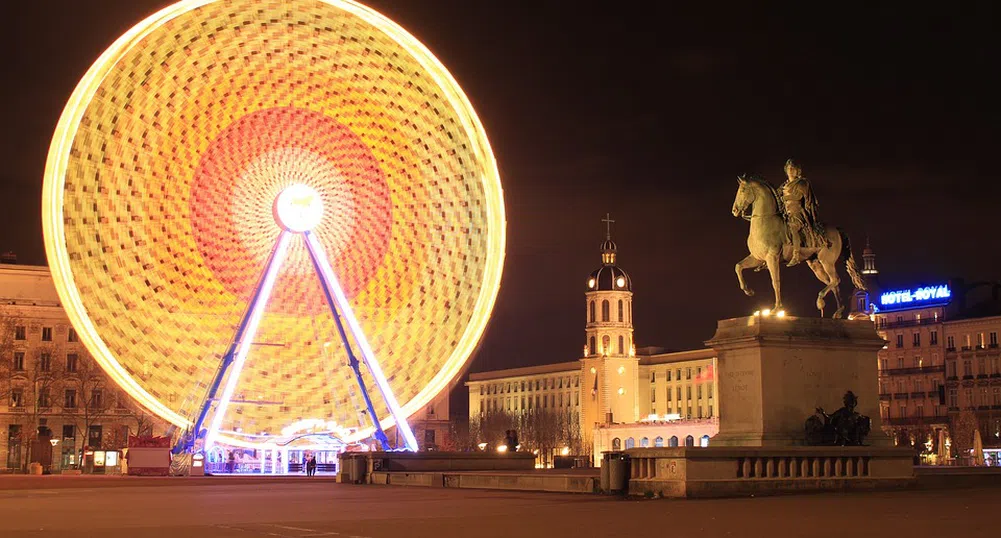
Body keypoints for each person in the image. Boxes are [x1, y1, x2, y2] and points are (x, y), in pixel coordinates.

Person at [780, 159, 824, 267]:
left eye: (793, 168)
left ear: (798, 171)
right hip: (786, 213)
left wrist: (784, 198)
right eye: (789, 169)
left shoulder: (802, 183)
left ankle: (796, 255)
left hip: (797, 212)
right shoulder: (783, 185)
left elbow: (798, 196)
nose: (791, 171)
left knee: (793, 228)